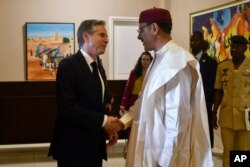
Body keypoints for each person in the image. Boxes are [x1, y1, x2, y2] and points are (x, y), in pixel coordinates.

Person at [117, 7, 213, 167]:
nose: (139, 36)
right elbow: (143, 100)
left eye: (141, 30)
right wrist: (122, 122)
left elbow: (177, 122)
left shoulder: (177, 62)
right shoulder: (158, 58)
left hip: (164, 157)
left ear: (154, 28)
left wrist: (165, 161)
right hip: (151, 148)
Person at [48, 20, 119, 167]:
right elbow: (67, 108)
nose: (107, 40)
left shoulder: (98, 64)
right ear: (86, 36)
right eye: (102, 35)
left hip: (94, 143)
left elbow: (97, 101)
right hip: (73, 146)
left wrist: (107, 129)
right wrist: (104, 121)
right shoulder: (68, 65)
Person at [213, 35, 250, 167]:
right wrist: (214, 112)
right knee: (228, 152)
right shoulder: (223, 67)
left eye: (238, 47)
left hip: (245, 118)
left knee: (243, 152)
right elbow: (218, 90)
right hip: (226, 116)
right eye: (233, 47)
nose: (234, 49)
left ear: (245, 48)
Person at [119, 51, 153, 158]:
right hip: (133, 102)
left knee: (146, 127)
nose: (145, 61)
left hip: (148, 103)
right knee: (133, 127)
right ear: (140, 60)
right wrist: (123, 105)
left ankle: (144, 151)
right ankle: (130, 151)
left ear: (151, 61)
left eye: (148, 59)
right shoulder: (134, 72)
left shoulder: (154, 72)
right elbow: (128, 89)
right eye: (143, 59)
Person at [190, 31, 217, 148]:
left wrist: (200, 100)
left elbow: (211, 86)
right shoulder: (186, 60)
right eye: (192, 40)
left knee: (204, 134)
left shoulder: (210, 62)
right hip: (187, 103)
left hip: (204, 103)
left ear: (202, 43)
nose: (193, 43)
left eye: (196, 40)